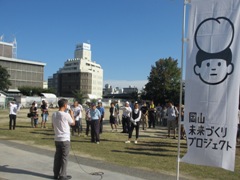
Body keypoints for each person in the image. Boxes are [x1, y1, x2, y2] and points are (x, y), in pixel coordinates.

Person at [52, 99, 75, 180]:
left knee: (57, 157)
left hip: (57, 138)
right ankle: (63, 175)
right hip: (65, 139)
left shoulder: (54, 114)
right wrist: (72, 114)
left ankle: (56, 174)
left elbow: (53, 125)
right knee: (64, 158)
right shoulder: (66, 115)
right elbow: (73, 123)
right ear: (65, 105)